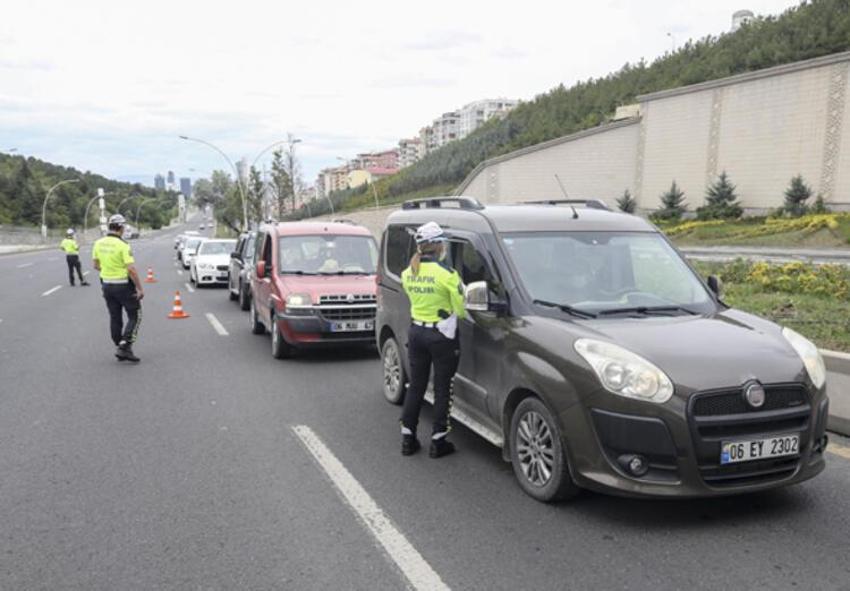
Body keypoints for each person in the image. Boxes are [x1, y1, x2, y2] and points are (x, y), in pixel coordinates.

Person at [399, 221, 466, 458]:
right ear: (437, 245)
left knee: (416, 386)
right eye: (443, 242)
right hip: (441, 336)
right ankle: (438, 441)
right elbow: (460, 309)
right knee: (442, 388)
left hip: (416, 333)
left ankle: (408, 438)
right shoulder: (447, 274)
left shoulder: (408, 273)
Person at [92, 214, 144, 362]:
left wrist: (108, 270)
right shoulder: (123, 245)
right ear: (121, 228)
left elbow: (95, 265)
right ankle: (125, 346)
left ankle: (119, 345)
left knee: (115, 317)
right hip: (123, 285)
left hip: (106, 285)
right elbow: (131, 270)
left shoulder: (98, 243)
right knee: (135, 315)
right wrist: (140, 288)